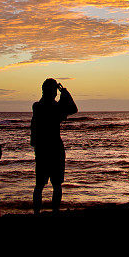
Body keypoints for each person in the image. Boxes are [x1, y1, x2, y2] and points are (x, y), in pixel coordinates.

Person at [31, 78, 77, 215]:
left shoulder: (37, 107)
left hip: (42, 149)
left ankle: (36, 213)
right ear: (53, 92)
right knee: (56, 185)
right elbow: (73, 109)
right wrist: (65, 93)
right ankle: (55, 211)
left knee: (39, 184)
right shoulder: (56, 107)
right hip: (55, 148)